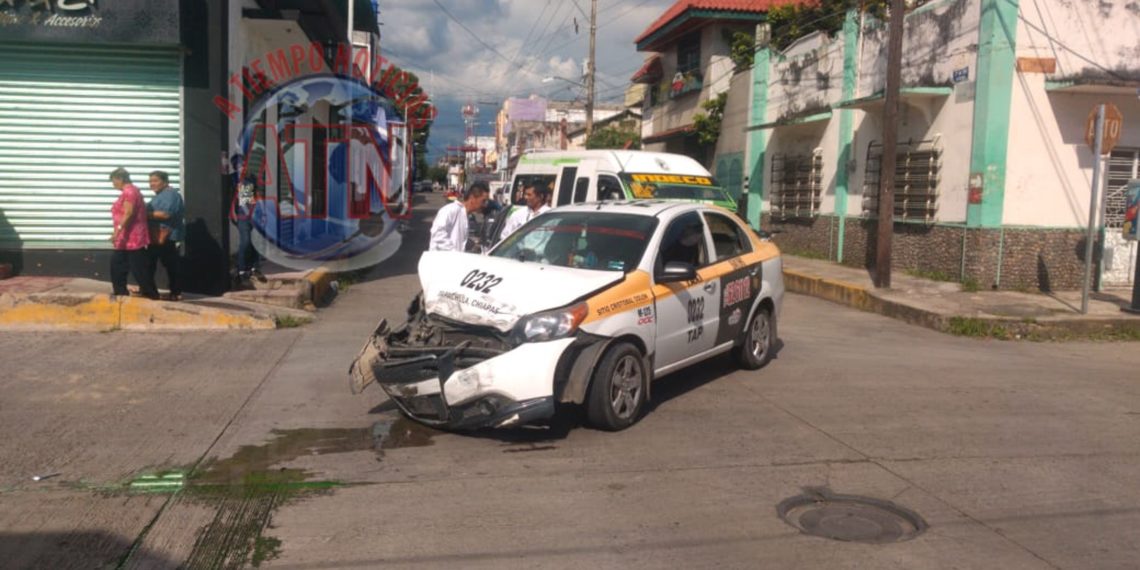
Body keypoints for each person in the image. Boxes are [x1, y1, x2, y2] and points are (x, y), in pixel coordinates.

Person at [108, 168, 159, 299]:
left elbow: (128, 213)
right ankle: (122, 292)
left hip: (132, 238)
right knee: (120, 265)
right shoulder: (131, 190)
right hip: (127, 238)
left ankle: (150, 293)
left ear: (120, 179)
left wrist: (117, 232)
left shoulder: (129, 192)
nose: (113, 184)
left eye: (113, 181)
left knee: (137, 268)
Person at [145, 170, 184, 300]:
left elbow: (166, 214)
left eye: (155, 181)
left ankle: (174, 292)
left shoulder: (170, 195)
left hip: (165, 235)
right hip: (158, 234)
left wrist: (143, 214)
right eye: (150, 181)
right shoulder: (161, 195)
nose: (152, 184)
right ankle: (151, 290)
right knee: (153, 263)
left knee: (167, 264)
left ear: (165, 181)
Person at [430, 182, 488, 252]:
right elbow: (437, 234)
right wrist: (456, 254)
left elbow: (458, 240)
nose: (485, 205)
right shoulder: (451, 210)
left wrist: (473, 244)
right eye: (483, 201)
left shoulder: (465, 215)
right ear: (472, 198)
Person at [231, 176, 264, 287]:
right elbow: (245, 207)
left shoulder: (253, 186)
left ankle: (254, 267)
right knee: (246, 242)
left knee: (255, 244)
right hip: (245, 220)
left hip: (253, 220)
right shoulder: (245, 184)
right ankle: (242, 270)